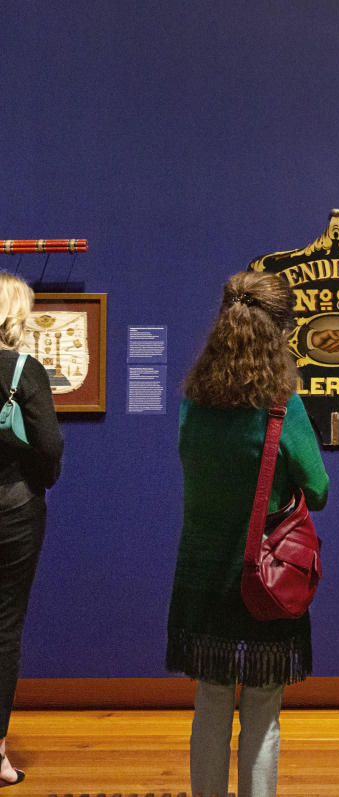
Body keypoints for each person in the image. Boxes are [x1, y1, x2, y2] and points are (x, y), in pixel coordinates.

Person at [165, 271, 330, 797]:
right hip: (265, 576)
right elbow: (319, 489)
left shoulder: (194, 400)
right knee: (262, 707)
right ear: (280, 331)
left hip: (201, 572)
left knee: (210, 701)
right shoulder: (284, 406)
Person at [0, 271, 63, 788]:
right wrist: (40, 482)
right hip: (13, 512)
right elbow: (49, 449)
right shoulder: (23, 370)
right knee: (3, 629)